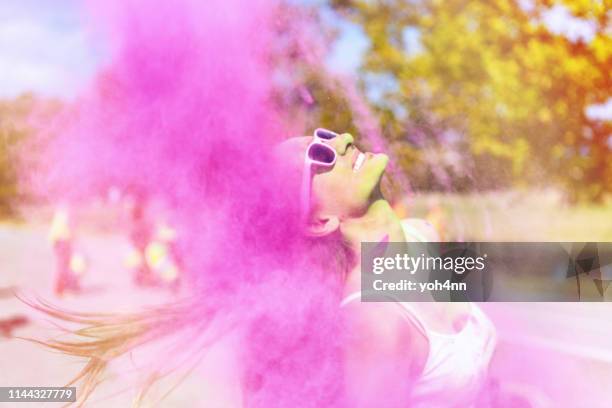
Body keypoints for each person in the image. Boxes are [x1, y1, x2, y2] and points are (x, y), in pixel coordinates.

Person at [34, 128, 496, 407]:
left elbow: (562, 275)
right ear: (319, 221)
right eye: (320, 157)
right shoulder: (374, 323)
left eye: (325, 138)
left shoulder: (417, 237)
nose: (341, 141)